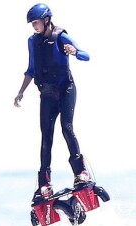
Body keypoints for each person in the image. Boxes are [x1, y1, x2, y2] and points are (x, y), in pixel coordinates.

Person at [14, 3, 91, 201]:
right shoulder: (32, 42)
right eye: (32, 24)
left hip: (66, 90)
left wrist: (74, 52)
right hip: (47, 94)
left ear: (46, 20)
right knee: (46, 137)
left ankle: (81, 173)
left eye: (36, 23)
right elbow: (31, 69)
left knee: (66, 128)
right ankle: (44, 184)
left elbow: (86, 56)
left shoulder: (60, 36)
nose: (34, 27)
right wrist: (21, 92)